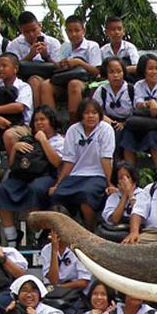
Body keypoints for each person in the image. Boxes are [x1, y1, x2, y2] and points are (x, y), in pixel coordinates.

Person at [0, 105, 62, 245]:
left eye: (43, 119)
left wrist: (43, 141)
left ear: (51, 121)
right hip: (22, 176)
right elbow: (13, 165)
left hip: (47, 175)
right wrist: (15, 148)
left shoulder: (59, 140)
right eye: (36, 120)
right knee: (2, 190)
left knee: (35, 189)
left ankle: (37, 235)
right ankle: (12, 237)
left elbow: (58, 163)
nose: (39, 123)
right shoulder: (27, 139)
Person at [50, 98, 116, 229]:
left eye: (94, 113)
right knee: (57, 196)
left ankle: (89, 229)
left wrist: (110, 183)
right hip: (76, 175)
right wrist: (58, 183)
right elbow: (69, 160)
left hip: (98, 175)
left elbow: (106, 158)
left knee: (86, 197)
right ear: (81, 115)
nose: (90, 116)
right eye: (87, 113)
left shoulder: (106, 129)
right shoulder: (73, 130)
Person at [122, 53, 157, 168]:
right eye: (150, 69)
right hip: (144, 121)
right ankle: (130, 173)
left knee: (153, 136)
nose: (154, 72)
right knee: (128, 135)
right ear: (143, 70)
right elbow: (137, 104)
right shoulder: (139, 85)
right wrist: (149, 103)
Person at [7, 12, 61, 114]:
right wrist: (30, 56)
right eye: (26, 32)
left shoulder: (53, 42)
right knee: (34, 81)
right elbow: (11, 67)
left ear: (39, 26)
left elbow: (59, 67)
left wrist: (46, 56)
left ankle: (44, 118)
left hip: (50, 78)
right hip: (23, 78)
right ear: (21, 30)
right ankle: (38, 117)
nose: (31, 34)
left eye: (34, 30)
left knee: (38, 82)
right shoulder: (15, 44)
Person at [92, 57, 134, 147]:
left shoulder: (131, 89)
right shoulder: (102, 90)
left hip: (128, 123)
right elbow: (94, 109)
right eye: (111, 72)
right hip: (108, 121)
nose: (116, 75)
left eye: (119, 71)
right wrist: (109, 121)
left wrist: (124, 123)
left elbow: (137, 111)